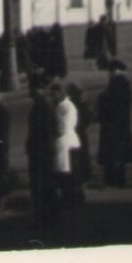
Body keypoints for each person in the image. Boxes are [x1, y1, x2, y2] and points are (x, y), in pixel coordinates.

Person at [25, 78, 56, 227]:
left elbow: (47, 131)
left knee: (43, 183)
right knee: (42, 183)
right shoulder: (40, 105)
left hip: (42, 151)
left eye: (33, 89)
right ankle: (45, 214)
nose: (30, 92)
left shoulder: (43, 106)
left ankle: (46, 215)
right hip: (41, 150)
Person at [96, 62, 132, 187]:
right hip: (121, 125)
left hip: (112, 126)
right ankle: (119, 179)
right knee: (119, 156)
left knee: (111, 155)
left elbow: (109, 103)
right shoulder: (124, 84)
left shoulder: (116, 84)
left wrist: (101, 99)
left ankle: (111, 179)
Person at [51, 80, 81, 216]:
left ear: (60, 93)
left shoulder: (66, 107)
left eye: (54, 95)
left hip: (66, 143)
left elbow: (63, 128)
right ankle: (69, 199)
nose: (52, 98)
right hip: (64, 143)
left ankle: (70, 200)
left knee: (66, 174)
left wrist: (52, 132)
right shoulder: (61, 106)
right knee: (64, 174)